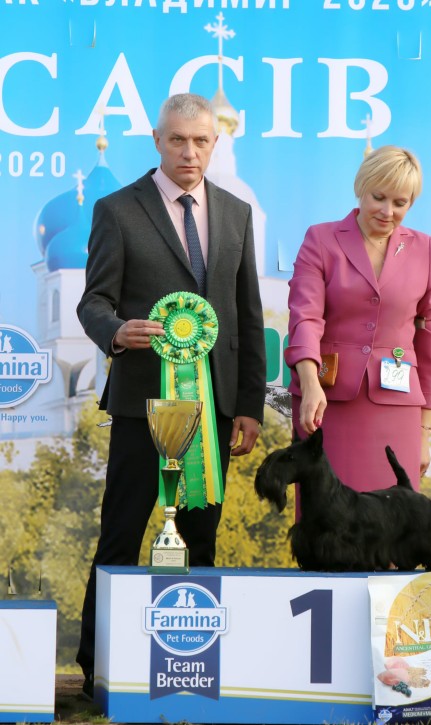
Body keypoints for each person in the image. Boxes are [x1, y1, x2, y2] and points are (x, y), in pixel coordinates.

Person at [76, 93, 266, 695]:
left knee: (199, 537)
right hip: (142, 405)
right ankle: (96, 668)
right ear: (157, 140)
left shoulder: (237, 213)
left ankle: (192, 670)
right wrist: (115, 331)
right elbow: (93, 301)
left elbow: (247, 315)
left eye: (200, 141)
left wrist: (250, 407)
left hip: (215, 409)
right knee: (123, 534)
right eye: (177, 140)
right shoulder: (116, 209)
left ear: (215, 143)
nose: (189, 152)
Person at [284, 145, 431, 496]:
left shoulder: (426, 249)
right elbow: (305, 317)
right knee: (327, 519)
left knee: (395, 520)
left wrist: (424, 432)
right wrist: (310, 385)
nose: (387, 212)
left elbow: (429, 339)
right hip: (325, 402)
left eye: (400, 203)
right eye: (379, 197)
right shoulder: (320, 239)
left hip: (399, 408)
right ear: (361, 187)